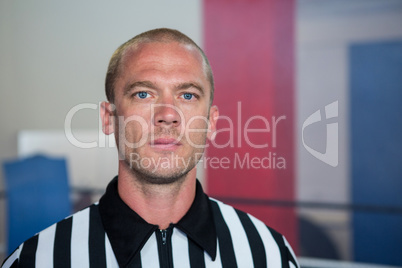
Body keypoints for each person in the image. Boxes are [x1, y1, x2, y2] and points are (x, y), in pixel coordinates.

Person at [2, 28, 299, 267]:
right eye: (143, 94)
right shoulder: (38, 259)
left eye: (188, 95)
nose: (167, 114)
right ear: (109, 119)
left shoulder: (269, 254)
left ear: (211, 123)